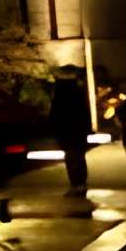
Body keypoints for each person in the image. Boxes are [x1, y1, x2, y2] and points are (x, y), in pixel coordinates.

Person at [48, 59, 92, 199]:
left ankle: (76, 184)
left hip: (67, 131)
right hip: (78, 131)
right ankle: (81, 184)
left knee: (71, 157)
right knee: (79, 156)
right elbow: (85, 113)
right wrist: (87, 129)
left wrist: (54, 130)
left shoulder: (60, 94)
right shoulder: (77, 93)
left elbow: (55, 114)